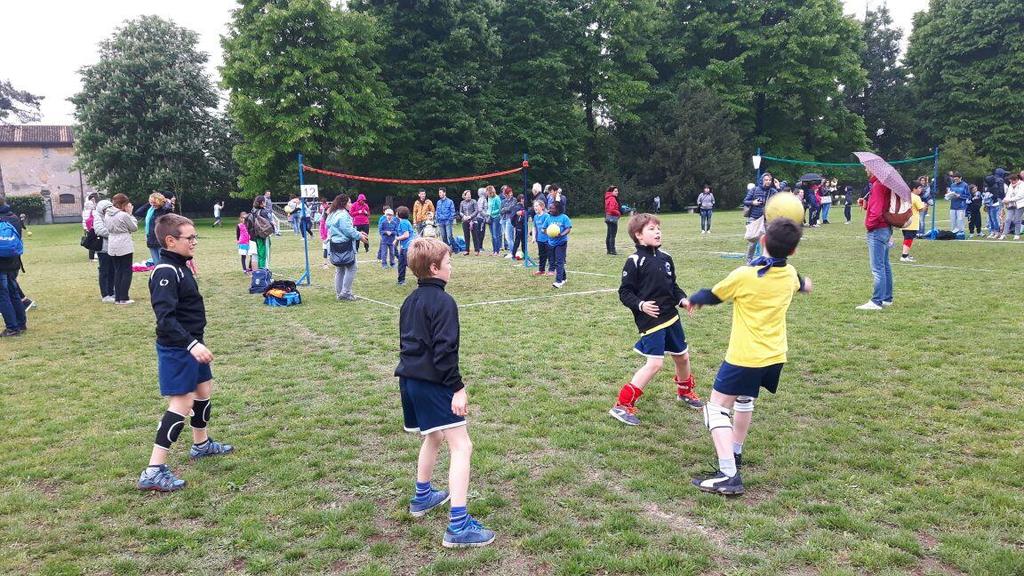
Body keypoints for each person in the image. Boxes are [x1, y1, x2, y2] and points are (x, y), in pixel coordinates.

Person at [685, 218, 813, 495]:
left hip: (745, 356)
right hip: (774, 356)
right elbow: (802, 282)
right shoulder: (790, 274)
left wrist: (694, 298)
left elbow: (713, 295)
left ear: (762, 241)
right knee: (744, 399)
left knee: (715, 408)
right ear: (793, 252)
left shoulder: (744, 275)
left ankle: (728, 475)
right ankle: (735, 452)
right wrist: (805, 284)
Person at [395, 237, 496, 548]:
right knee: (462, 446)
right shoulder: (443, 302)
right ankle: (459, 525)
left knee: (434, 436)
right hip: (434, 382)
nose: (452, 267)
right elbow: (444, 352)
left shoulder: (409, 300)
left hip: (410, 382)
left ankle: (422, 496)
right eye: (449, 262)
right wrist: (457, 388)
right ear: (435, 268)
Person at [136, 213, 233, 492]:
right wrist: (191, 344)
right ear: (170, 240)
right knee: (182, 403)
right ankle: (153, 470)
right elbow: (164, 318)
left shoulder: (180, 266)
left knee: (203, 392)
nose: (194, 242)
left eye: (194, 237)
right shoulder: (165, 271)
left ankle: (201, 444)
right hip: (178, 348)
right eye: (190, 237)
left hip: (193, 343)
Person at [608, 213, 702, 426]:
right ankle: (622, 405)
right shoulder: (634, 261)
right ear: (638, 235)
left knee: (682, 357)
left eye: (658, 228)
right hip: (650, 321)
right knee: (655, 364)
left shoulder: (666, 258)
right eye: (651, 229)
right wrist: (641, 305)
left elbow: (673, 287)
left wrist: (683, 300)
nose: (658, 232)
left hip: (671, 316)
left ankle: (685, 392)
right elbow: (625, 292)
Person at [856, 170, 893, 310]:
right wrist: (865, 204)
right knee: (885, 265)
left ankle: (876, 301)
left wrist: (869, 225)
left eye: (866, 167)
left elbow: (877, 211)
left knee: (877, 268)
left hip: (877, 229)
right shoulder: (883, 184)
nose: (865, 169)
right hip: (885, 228)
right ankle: (887, 298)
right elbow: (879, 206)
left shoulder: (878, 185)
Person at [326, 194, 367, 301]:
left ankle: (340, 293)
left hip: (335, 244)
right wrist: (360, 236)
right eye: (349, 202)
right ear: (343, 203)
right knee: (351, 267)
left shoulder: (333, 213)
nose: (351, 204)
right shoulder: (343, 215)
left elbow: (335, 227)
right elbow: (347, 230)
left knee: (340, 269)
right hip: (345, 244)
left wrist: (357, 232)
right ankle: (346, 293)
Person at [0, 192, 28, 337]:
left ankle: (12, 327)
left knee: (3, 295)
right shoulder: (14, 217)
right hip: (13, 261)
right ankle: (21, 323)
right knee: (14, 292)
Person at [106, 194, 139, 305]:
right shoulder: (123, 215)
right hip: (124, 244)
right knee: (126, 271)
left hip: (112, 243)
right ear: (123, 204)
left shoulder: (107, 214)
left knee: (118, 271)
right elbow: (134, 227)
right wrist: (130, 214)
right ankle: (124, 297)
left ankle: (118, 297)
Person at [743, 173, 778, 262]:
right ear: (762, 180)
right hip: (755, 218)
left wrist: (778, 187)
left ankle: (765, 260)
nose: (768, 182)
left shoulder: (773, 191)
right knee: (752, 242)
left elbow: (779, 199)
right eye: (766, 180)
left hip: (768, 219)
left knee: (767, 241)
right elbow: (745, 201)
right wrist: (753, 202)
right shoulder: (754, 190)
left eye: (769, 180)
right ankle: (749, 260)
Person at [134, 192, 173, 265]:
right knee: (156, 262)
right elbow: (138, 212)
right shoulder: (151, 210)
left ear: (160, 201)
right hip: (151, 238)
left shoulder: (164, 210)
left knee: (163, 261)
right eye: (151, 202)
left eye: (155, 202)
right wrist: (151, 203)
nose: (153, 204)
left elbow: (168, 209)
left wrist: (165, 201)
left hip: (161, 238)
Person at [92, 199, 116, 302]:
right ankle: (105, 294)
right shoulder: (98, 217)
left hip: (113, 247)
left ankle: (111, 291)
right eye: (106, 208)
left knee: (112, 271)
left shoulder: (111, 216)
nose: (108, 210)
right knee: (104, 271)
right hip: (103, 249)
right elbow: (99, 230)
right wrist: (114, 233)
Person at [546, 201, 572, 289]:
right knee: (554, 261)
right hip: (551, 243)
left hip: (561, 243)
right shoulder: (548, 217)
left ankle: (558, 281)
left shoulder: (564, 217)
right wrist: (548, 232)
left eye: (552, 208)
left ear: (558, 209)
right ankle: (564, 278)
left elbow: (568, 228)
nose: (550, 210)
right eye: (550, 208)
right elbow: (544, 228)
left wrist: (561, 234)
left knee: (559, 261)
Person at [900, 182, 927, 262]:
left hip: (904, 220)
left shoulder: (905, 196)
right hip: (912, 222)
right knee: (909, 238)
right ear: (914, 189)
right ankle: (904, 256)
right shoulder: (916, 197)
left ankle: (906, 254)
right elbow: (921, 209)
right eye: (919, 188)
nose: (921, 189)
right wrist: (925, 206)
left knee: (906, 238)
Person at [249, 196, 273, 269]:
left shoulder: (253, 211)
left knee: (259, 253)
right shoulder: (264, 212)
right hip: (264, 235)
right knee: (264, 254)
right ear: (262, 202)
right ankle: (264, 270)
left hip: (255, 235)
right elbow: (269, 223)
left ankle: (259, 269)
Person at [394, 206, 416, 286]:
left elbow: (406, 235)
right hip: (404, 247)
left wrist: (397, 239)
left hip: (407, 247)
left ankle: (422, 277)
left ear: (400, 214)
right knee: (401, 264)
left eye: (397, 212)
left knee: (410, 264)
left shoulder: (403, 222)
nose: (396, 213)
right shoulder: (404, 221)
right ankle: (401, 280)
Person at [999, 172, 1024, 240]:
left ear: (1015, 179)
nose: (1011, 182)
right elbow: (1008, 194)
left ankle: (1017, 234)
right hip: (1011, 205)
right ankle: (1004, 234)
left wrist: (1009, 200)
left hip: (1020, 205)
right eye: (1010, 181)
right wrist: (1005, 200)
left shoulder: (1022, 184)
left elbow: (1020, 196)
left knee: (1017, 220)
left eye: (1011, 181)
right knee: (1008, 219)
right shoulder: (1011, 185)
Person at [531, 200, 552, 276]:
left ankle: (551, 270)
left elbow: (550, 227)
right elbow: (534, 227)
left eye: (537, 206)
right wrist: (533, 238)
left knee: (550, 255)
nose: (535, 207)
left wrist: (545, 231)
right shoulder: (535, 217)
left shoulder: (546, 216)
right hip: (540, 240)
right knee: (541, 255)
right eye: (534, 206)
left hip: (547, 239)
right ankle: (541, 270)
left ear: (542, 207)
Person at [459, 190, 478, 256]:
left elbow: (476, 210)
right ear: (464, 195)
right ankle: (467, 250)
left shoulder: (474, 201)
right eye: (467, 194)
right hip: (465, 221)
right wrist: (464, 216)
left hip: (473, 221)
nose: (469, 196)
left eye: (470, 194)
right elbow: (460, 212)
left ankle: (477, 250)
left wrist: (470, 216)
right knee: (466, 236)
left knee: (475, 236)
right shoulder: (462, 202)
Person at [499, 186, 516, 257]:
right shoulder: (503, 201)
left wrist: (505, 209)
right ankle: (512, 251)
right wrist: (506, 209)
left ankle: (512, 252)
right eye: (509, 193)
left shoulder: (514, 200)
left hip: (510, 219)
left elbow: (511, 208)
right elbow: (501, 211)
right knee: (508, 236)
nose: (510, 194)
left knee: (509, 237)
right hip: (503, 220)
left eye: (511, 192)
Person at [604, 186, 621, 253]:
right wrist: (618, 213)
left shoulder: (607, 198)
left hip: (608, 217)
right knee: (612, 235)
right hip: (612, 218)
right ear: (611, 192)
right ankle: (613, 250)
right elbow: (612, 209)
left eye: (617, 191)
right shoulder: (612, 199)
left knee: (609, 234)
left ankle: (608, 250)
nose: (617, 192)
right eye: (615, 191)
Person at [83, 193, 98, 261]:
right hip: (92, 228)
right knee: (94, 242)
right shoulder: (92, 212)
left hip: (86, 228)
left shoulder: (84, 212)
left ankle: (93, 255)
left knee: (90, 241)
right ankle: (92, 257)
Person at [487, 186, 501, 256]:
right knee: (492, 235)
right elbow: (489, 207)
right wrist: (487, 213)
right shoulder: (489, 198)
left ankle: (497, 251)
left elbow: (500, 209)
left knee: (496, 235)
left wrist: (492, 213)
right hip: (490, 217)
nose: (488, 195)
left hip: (496, 217)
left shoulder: (497, 198)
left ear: (492, 192)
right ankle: (494, 250)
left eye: (489, 193)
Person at [474, 188, 488, 255]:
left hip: (481, 218)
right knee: (481, 233)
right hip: (480, 218)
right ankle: (479, 246)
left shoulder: (482, 199)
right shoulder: (482, 199)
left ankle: (480, 246)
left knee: (481, 233)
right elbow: (480, 209)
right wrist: (486, 215)